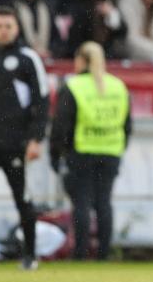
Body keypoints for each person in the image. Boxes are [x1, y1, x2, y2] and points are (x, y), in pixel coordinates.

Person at [50, 41, 131, 261]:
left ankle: (80, 253)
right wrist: (118, 147)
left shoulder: (74, 86)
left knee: (82, 203)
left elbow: (61, 126)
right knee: (104, 202)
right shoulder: (118, 86)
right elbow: (128, 124)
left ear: (82, 61)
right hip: (111, 151)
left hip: (82, 151)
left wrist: (56, 154)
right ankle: (104, 253)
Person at [0, 5, 49, 270]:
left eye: (8, 26)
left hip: (15, 144)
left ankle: (30, 255)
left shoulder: (27, 58)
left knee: (22, 200)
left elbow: (42, 101)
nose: (3, 31)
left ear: (16, 28)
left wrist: (35, 138)